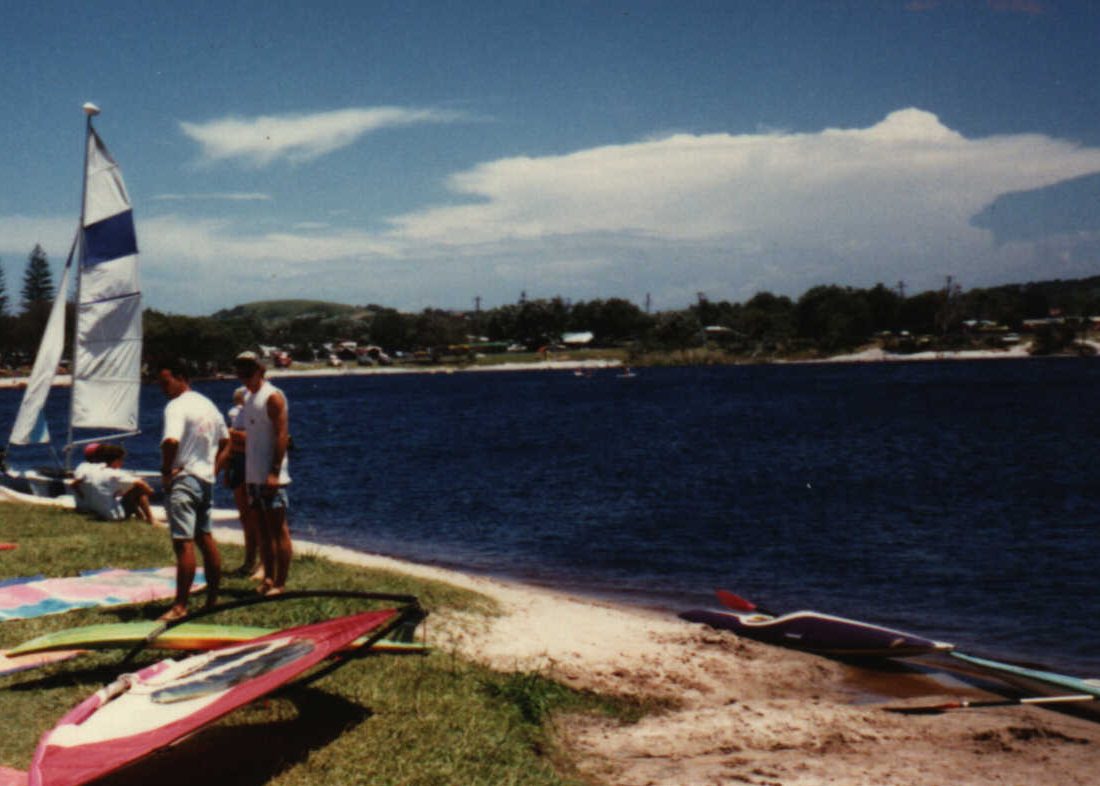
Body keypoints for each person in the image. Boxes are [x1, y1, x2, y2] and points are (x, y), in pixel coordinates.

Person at [157, 359, 228, 621]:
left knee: (183, 542)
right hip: (204, 479)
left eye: (166, 382)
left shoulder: (176, 406)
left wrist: (166, 471)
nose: (162, 388)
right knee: (205, 537)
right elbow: (226, 441)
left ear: (180, 377)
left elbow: (171, 441)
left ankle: (180, 605)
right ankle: (211, 599)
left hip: (185, 478)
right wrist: (213, 470)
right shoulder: (207, 404)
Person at [230, 351, 292, 596]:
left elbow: (281, 435)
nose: (244, 377)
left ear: (261, 371)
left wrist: (274, 472)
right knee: (261, 530)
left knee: (278, 530)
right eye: (240, 372)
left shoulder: (273, 397)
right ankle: (267, 577)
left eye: (249, 372)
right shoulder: (247, 397)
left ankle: (280, 582)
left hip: (270, 474)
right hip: (252, 473)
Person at [223, 386, 263, 580]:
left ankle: (263, 563)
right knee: (245, 516)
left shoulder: (257, 416)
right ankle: (249, 561)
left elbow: (253, 439)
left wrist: (232, 435)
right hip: (239, 462)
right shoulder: (237, 415)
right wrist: (226, 470)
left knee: (259, 516)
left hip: (253, 462)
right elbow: (231, 444)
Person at [72, 443, 157, 525]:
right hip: (113, 515)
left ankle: (141, 517)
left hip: (96, 509)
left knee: (127, 492)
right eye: (122, 459)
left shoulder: (93, 469)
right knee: (138, 489)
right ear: (116, 460)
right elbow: (139, 483)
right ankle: (151, 519)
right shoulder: (114, 473)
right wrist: (150, 491)